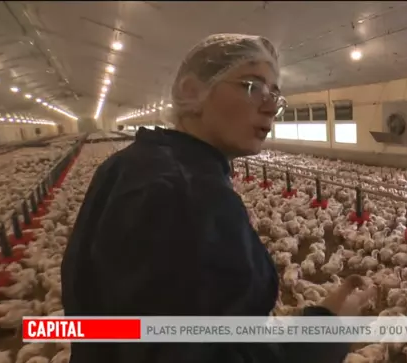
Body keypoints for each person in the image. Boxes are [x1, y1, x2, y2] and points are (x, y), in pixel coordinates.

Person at [61, 34, 374, 363]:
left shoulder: (128, 166)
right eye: (252, 86)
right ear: (192, 91)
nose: (270, 107)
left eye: (275, 97)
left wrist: (322, 317)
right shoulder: (190, 195)